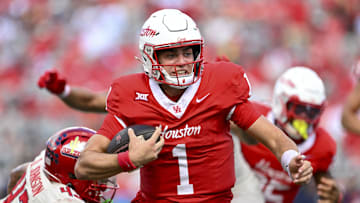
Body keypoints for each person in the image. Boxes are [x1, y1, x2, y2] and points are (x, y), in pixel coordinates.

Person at [41, 9, 312, 202]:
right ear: (149, 56)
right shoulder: (132, 94)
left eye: (187, 51)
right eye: (170, 54)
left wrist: (291, 160)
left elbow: (274, 137)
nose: (182, 60)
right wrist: (129, 159)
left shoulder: (220, 82)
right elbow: (85, 165)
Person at [39, 59, 265, 202]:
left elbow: (251, 136)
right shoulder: (139, 98)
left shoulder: (213, 97)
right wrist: (65, 91)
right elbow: (92, 101)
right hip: (159, 181)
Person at [239, 67, 341, 203]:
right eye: (299, 108)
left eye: (312, 112)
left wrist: (334, 196)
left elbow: (325, 185)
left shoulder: (321, 146)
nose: (305, 118)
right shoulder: (252, 116)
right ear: (280, 101)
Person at [2, 126, 163, 203]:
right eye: (92, 168)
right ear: (72, 176)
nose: (102, 178)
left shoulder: (48, 164)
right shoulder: (63, 200)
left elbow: (16, 173)